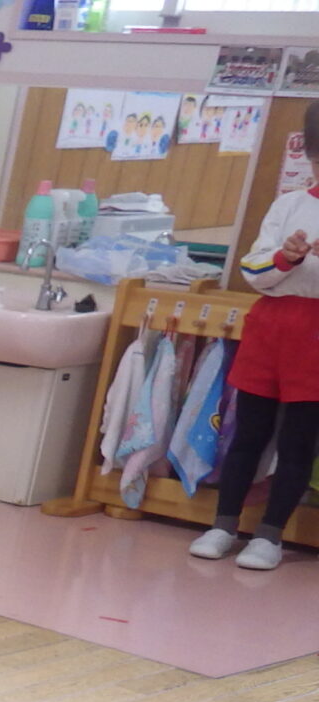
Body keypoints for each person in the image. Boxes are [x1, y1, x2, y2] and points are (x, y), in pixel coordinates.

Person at [190, 98, 319, 571]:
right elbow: (254, 270)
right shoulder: (289, 205)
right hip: (269, 330)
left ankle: (270, 536)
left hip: (315, 338)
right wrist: (288, 257)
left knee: (299, 444)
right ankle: (223, 525)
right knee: (247, 434)